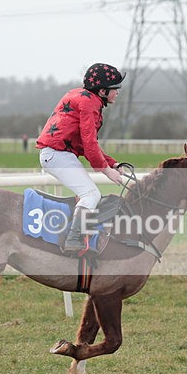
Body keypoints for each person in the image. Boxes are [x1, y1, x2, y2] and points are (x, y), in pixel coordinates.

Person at [36, 62, 126, 253]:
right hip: (57, 155)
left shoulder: (80, 96)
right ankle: (73, 240)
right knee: (91, 195)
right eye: (115, 89)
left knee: (92, 195)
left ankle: (80, 232)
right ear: (102, 91)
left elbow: (85, 145)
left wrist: (112, 163)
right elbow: (89, 144)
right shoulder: (90, 103)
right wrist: (107, 171)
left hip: (58, 154)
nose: (117, 93)